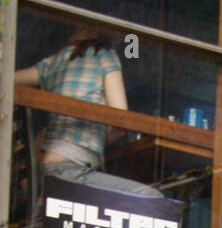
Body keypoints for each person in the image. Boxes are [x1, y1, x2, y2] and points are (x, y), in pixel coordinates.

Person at [15, 25, 160, 196]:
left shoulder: (54, 62)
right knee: (149, 196)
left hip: (47, 171)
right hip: (70, 171)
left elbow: (9, 77)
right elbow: (121, 121)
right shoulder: (104, 57)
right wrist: (97, 138)